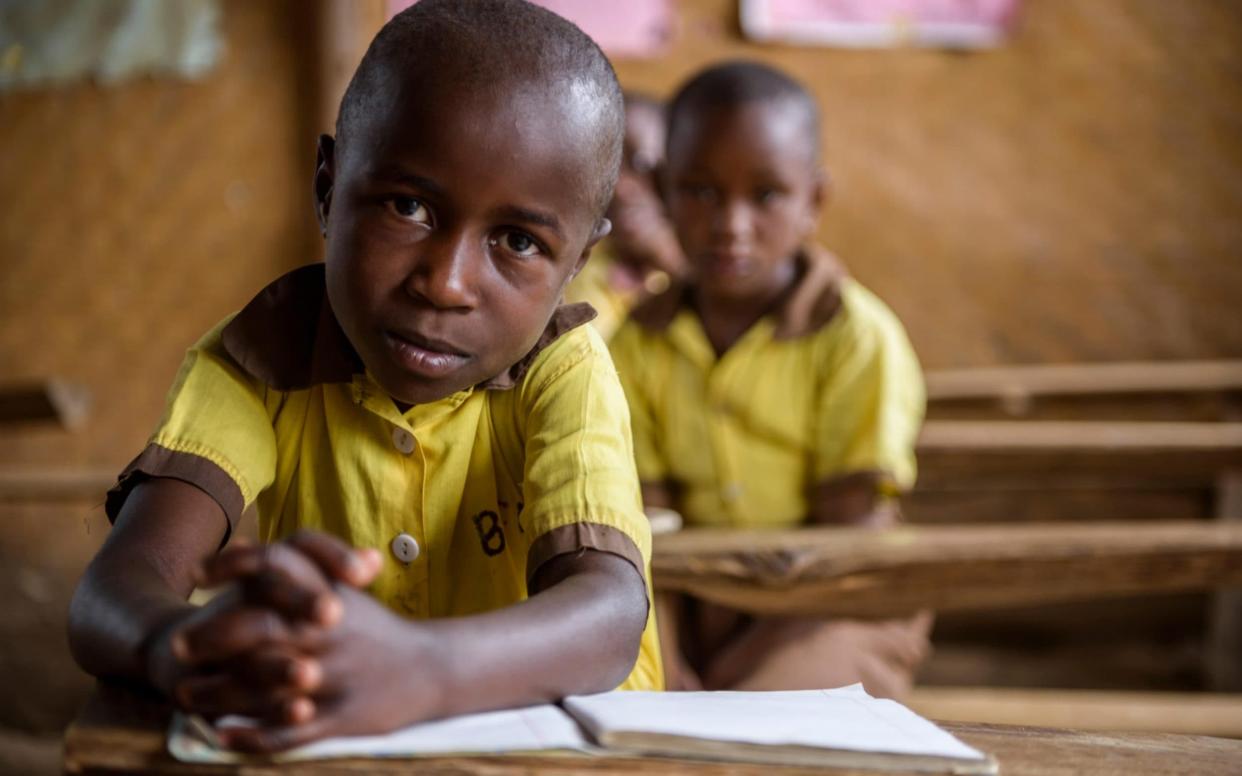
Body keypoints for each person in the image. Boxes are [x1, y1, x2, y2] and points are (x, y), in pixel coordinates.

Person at [67, 0, 662, 753]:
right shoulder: (262, 355)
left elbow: (609, 616)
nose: (445, 284)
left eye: (517, 240)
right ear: (327, 185)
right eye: (408, 206)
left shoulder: (562, 370)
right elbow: (118, 586)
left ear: (578, 262)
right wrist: (182, 642)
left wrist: (427, 669)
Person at [609, 61, 929, 697]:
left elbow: (854, 531)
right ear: (665, 190)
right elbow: (646, 528)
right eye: (699, 191)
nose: (731, 224)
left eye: (766, 196)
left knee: (775, 714)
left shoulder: (854, 336)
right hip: (686, 598)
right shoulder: (638, 342)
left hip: (835, 598)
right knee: (645, 690)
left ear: (815, 202)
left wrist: (744, 664)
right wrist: (667, 658)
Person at [565, 92, 687, 340]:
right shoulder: (575, 260)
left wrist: (672, 260)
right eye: (605, 167)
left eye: (642, 164)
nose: (622, 187)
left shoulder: (704, 262)